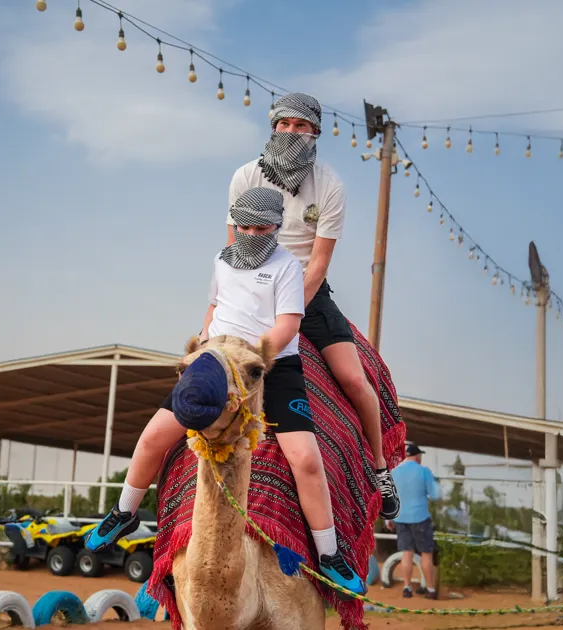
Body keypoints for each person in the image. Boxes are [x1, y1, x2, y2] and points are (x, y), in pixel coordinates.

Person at [85, 186, 367, 595]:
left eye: (262, 227)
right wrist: (204, 343)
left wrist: (255, 357)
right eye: (244, 226)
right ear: (234, 225)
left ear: (275, 227)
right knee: (152, 438)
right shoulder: (222, 259)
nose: (252, 234)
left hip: (267, 363)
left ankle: (329, 552)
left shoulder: (288, 266)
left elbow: (289, 322)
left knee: (305, 459)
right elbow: (214, 307)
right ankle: (124, 510)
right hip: (216, 360)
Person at [226, 92, 401, 521]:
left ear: (315, 132)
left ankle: (379, 468)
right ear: (273, 127)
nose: (290, 131)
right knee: (207, 372)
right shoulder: (246, 176)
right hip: (252, 285)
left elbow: (319, 261)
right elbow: (233, 246)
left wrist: (288, 310)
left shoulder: (330, 185)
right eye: (283, 124)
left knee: (355, 379)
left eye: (299, 125)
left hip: (306, 289)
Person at [385, 443, 441, 600]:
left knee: (406, 553)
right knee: (426, 554)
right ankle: (430, 589)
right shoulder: (423, 471)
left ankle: (407, 588)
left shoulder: (394, 472)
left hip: (401, 518)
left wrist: (389, 518)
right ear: (417, 456)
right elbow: (436, 494)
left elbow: (390, 498)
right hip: (420, 517)